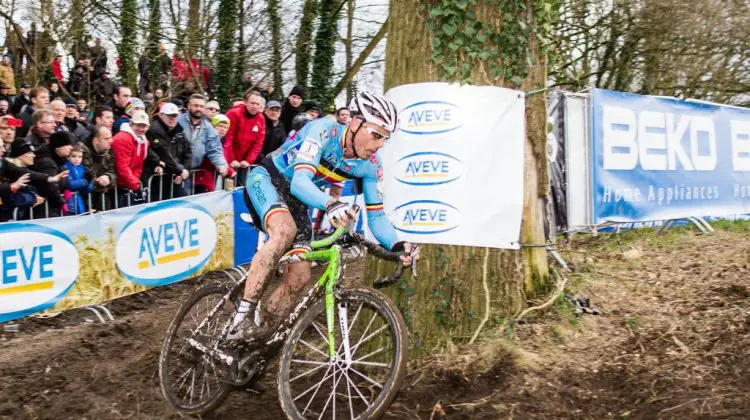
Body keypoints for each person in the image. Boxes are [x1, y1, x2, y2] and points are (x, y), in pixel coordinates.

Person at [228, 91, 420, 340]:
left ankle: (259, 340)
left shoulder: (371, 165)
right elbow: (298, 182)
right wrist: (331, 204)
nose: (379, 144)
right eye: (376, 135)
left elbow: (377, 217)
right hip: (268, 179)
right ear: (354, 123)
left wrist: (397, 245)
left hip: (298, 200)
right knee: (284, 230)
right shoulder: (322, 130)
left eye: (385, 139)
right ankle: (241, 319)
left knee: (299, 278)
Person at [177, 94, 230, 193]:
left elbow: (214, 149)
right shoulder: (178, 121)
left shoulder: (208, 127)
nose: (199, 109)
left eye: (201, 106)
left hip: (193, 172)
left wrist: (221, 165)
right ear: (189, 106)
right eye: (196, 105)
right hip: (176, 172)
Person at [111, 110, 161, 206]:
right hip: (119, 186)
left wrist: (135, 184)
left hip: (129, 185)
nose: (141, 129)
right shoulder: (123, 139)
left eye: (144, 126)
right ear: (131, 124)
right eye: (138, 125)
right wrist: (136, 186)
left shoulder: (142, 140)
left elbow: (138, 165)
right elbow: (123, 167)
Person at [145, 103, 191, 200]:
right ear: (161, 115)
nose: (172, 118)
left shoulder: (180, 131)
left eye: (175, 116)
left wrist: (185, 170)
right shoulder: (154, 129)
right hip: (158, 178)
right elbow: (164, 153)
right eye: (169, 116)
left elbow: (188, 152)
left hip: (174, 177)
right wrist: (181, 170)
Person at [224, 90, 266, 186]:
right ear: (246, 102)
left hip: (244, 163)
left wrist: (248, 160)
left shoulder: (261, 119)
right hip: (229, 161)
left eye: (257, 104)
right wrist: (231, 159)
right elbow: (228, 139)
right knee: (227, 189)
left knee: (241, 188)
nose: (255, 106)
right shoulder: (233, 114)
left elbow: (258, 143)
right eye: (252, 103)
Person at [30, 131, 74, 218]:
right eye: (67, 145)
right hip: (45, 209)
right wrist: (61, 203)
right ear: (58, 148)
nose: (71, 147)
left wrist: (66, 189)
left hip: (50, 207)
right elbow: (50, 187)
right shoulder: (46, 162)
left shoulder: (59, 160)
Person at [78, 124, 117, 211]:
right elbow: (86, 177)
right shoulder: (82, 151)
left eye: (111, 137)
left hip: (102, 197)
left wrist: (108, 177)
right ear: (96, 140)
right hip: (85, 200)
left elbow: (114, 172)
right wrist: (100, 182)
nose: (111, 141)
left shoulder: (109, 150)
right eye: (106, 139)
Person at [0, 143, 40, 222]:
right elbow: (12, 198)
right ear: (19, 156)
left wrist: (48, 178)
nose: (34, 155)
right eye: (29, 152)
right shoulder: (9, 173)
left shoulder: (19, 172)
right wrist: (33, 198)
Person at [63, 145, 94, 215]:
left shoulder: (82, 168)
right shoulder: (65, 168)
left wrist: (89, 184)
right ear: (68, 157)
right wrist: (86, 181)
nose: (77, 159)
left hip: (79, 199)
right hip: (69, 200)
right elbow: (70, 184)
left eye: (80, 157)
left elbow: (86, 190)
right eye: (74, 156)